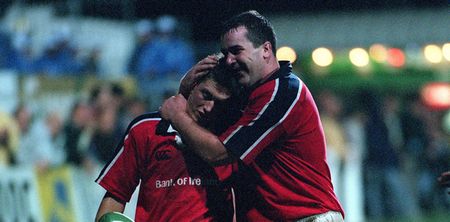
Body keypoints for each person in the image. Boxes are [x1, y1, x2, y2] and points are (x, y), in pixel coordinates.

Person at [161, 10, 344, 221]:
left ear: (266, 49)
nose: (229, 60)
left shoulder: (282, 91)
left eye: (236, 51)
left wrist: (177, 114)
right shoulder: (250, 95)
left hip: (308, 217)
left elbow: (218, 153)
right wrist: (186, 89)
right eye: (225, 53)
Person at [95, 57, 239, 222]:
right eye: (206, 94)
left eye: (219, 103)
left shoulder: (232, 139)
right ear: (192, 86)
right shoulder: (146, 130)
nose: (209, 107)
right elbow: (115, 194)